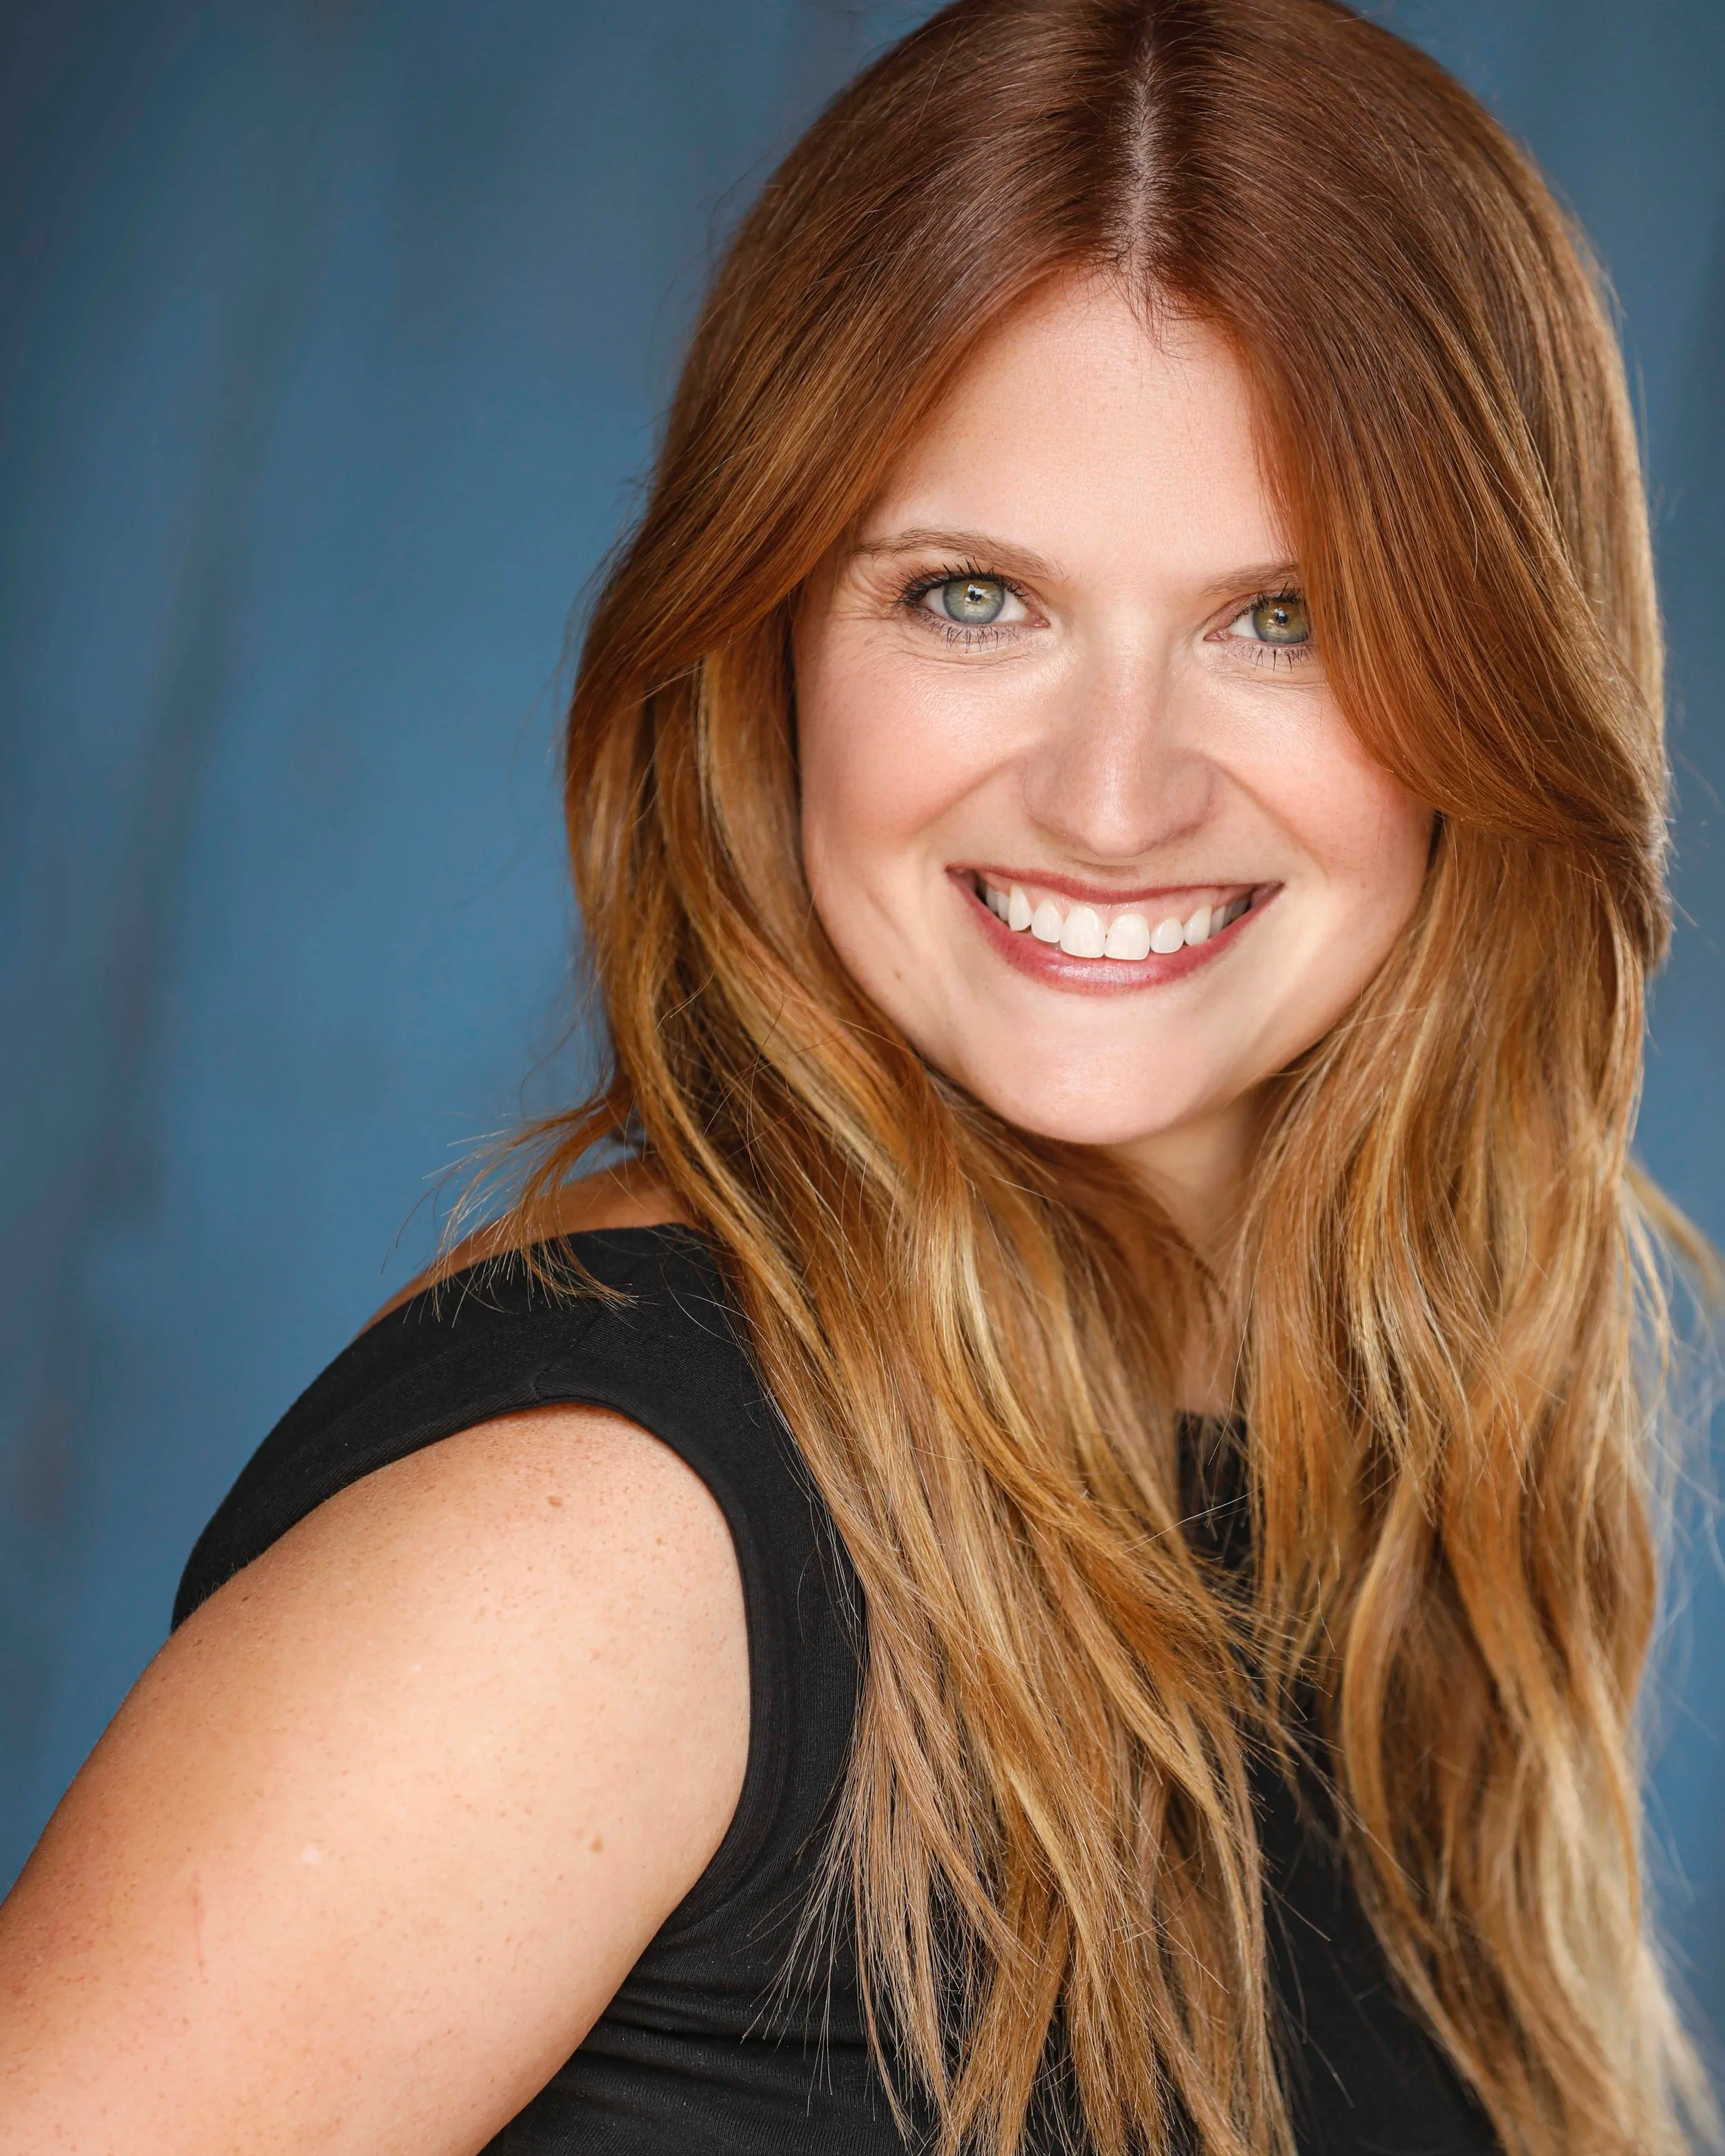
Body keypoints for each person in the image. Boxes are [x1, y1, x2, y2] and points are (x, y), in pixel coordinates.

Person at [0, 0, 1715, 2150]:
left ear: (1510, 670)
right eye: (971, 596)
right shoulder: (601, 1550)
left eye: (1285, 616)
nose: (1111, 796)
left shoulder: (1382, 1515)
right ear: (776, 633)